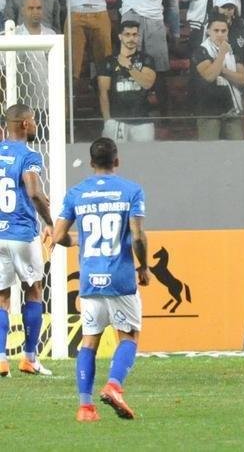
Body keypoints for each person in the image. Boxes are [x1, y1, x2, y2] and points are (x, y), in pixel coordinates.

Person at [51, 136, 148, 421]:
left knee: (89, 341)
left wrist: (81, 241)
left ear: (91, 163)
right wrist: (143, 267)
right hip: (120, 277)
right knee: (128, 337)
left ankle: (85, 407)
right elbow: (139, 236)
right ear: (116, 161)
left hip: (90, 278)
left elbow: (57, 237)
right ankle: (114, 386)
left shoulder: (76, 193)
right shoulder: (131, 191)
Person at [0, 103, 53, 378]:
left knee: (1, 297)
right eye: (33, 120)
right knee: (34, 289)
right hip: (22, 233)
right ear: (24, 124)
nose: (34, 125)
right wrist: (51, 222)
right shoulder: (29, 155)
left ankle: (0, 359)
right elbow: (33, 191)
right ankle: (29, 358)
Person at [97, 21, 157, 142]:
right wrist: (108, 121)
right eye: (127, 34)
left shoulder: (146, 59)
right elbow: (103, 94)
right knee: (117, 157)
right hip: (117, 120)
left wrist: (129, 66)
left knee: (145, 157)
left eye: (135, 35)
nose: (132, 38)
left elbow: (147, 83)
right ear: (120, 36)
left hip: (142, 121)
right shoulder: (109, 61)